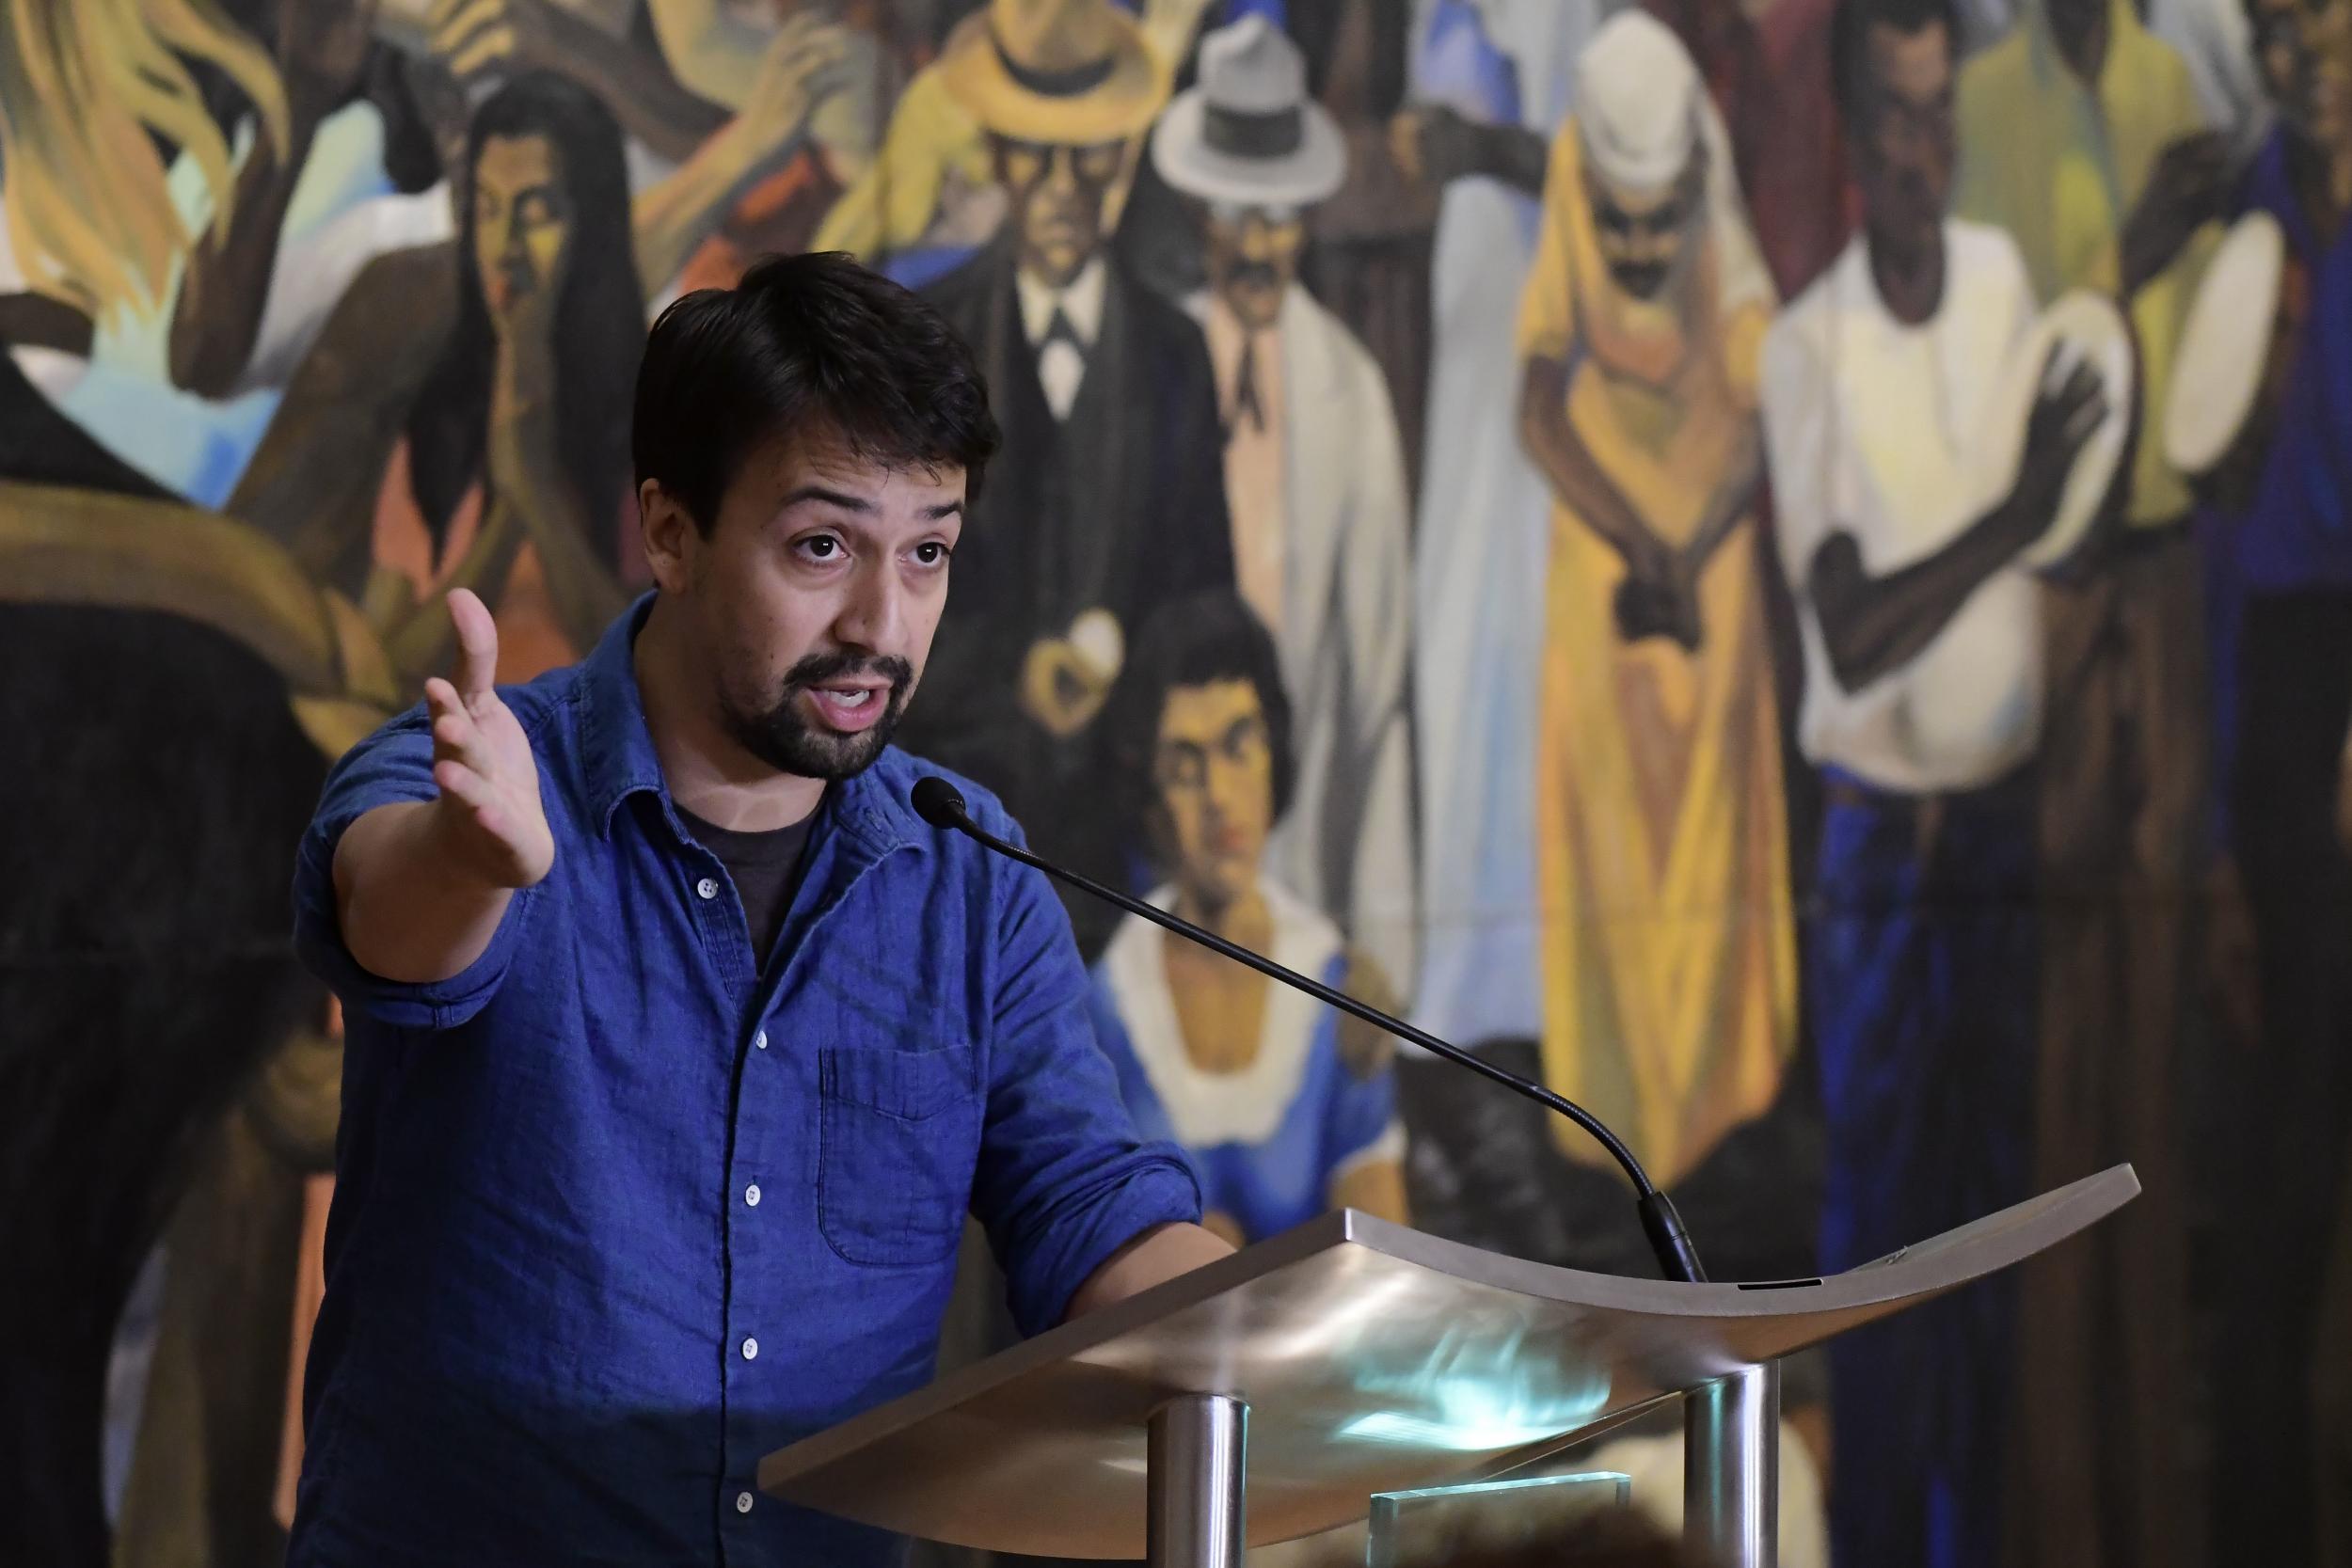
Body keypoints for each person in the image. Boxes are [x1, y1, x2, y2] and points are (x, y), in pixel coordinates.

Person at [283, 251, 1230, 1567]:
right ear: (670, 530)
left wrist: (1319, 1333)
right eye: (824, 545)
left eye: (929, 552)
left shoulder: (971, 871)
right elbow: (396, 924)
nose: (881, 625)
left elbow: (1088, 1212)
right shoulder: (481, 771)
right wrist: (474, 853)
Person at [1760, 0, 2108, 1560]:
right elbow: (1854, 622)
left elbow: (2060, 540)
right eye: (1895, 120)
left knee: (2002, 1241)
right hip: (1883, 858)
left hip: (2004, 842)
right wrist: (2021, 509)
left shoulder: (2005, 292)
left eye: (1938, 115)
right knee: (1886, 1248)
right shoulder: (1810, 347)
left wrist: (2064, 514)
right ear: (1850, 137)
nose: (1924, 149)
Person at [1953, 2, 2232, 1560]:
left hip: (2165, 581)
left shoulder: (2172, 81)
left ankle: (2162, 1510)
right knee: (2061, 1095)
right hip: (2044, 604)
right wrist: (2131, 245)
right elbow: (2031, 379)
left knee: (2157, 1072)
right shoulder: (1988, 100)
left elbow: (2195, 386)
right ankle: (2057, 1513)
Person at [1514, 11, 1795, 1195]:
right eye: (1613, 229)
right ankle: (1608, 1140)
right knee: (1607, 849)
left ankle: (1717, 1129)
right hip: (1605, 548)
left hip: (1710, 555)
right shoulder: (1574, 162)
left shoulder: (1718, 218)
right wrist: (1637, 541)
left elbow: (1766, 415)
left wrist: (1684, 550)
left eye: (1651, 228)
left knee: (1707, 850)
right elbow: (1535, 404)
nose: (1631, 251)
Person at [913, 0, 1235, 955]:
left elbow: (1200, 598)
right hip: (950, 833)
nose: (1059, 187)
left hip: (1121, 856)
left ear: (1120, 155)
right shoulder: (923, 337)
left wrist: (1125, 680)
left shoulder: (1175, 353)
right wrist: (1013, 669)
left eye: (1085, 155)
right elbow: (877, 603)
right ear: (994, 154)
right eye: (1031, 153)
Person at [1149, 15, 1419, 994]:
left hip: (1304, 857)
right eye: (1233, 215)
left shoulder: (1351, 395)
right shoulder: (1153, 367)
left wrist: (1382, 949)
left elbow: (1379, 688)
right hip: (1165, 853)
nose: (1257, 245)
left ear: (1305, 220)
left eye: (1276, 217)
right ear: (1197, 218)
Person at [229, 72, 649, 690]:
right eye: (487, 208)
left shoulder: (655, 420)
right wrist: (507, 519)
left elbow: (650, 677)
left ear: (594, 230)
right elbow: (389, 667)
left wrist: (536, 492)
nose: (505, 248)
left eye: (537, 214)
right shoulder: (440, 415)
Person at [2200, 0, 2352, 1557]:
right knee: (2283, 1159)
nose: (2301, 56)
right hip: (2289, 701)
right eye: (2277, 28)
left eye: (2321, 21)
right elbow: (2230, 539)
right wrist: (2233, 833)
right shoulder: (2258, 206)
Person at [1406, 0, 1609, 1052]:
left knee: (1526, 658)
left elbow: (1612, 169)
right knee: (1455, 655)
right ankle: (1464, 1007)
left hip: (1550, 347)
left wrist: (1484, 148)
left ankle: (1531, 1007)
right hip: (1461, 331)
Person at [1089, 592, 1410, 1247]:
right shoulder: (1104, 1004)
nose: (1219, 797)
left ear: (1275, 753)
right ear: (1150, 795)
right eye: (1184, 766)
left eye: (1240, 746)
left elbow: (1385, 1257)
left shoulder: (1340, 988)